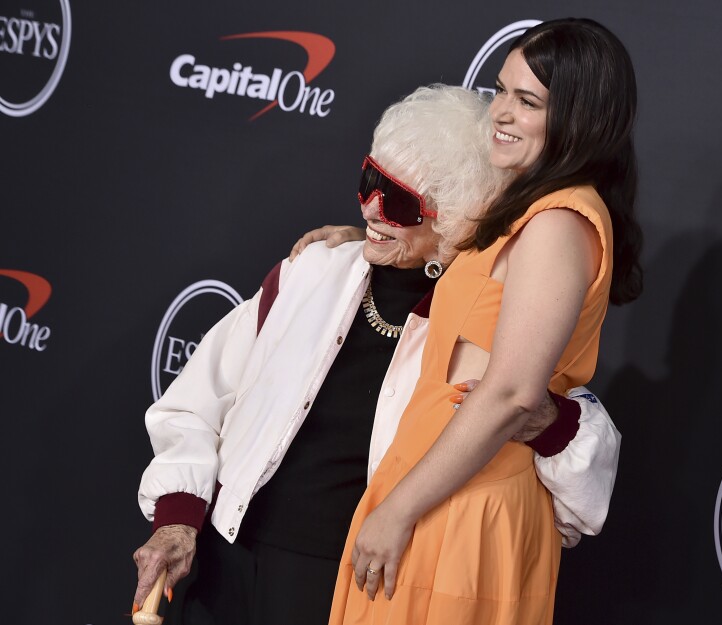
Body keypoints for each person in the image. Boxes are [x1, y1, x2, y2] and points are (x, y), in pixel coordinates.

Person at [132, 84, 621, 625]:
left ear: (458, 216)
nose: (370, 207)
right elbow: (196, 400)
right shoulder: (311, 273)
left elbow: (576, 468)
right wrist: (178, 516)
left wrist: (548, 420)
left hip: (350, 581)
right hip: (224, 561)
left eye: (401, 201)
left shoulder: (484, 321)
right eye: (371, 180)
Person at [326, 18, 642, 625]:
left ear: (580, 118)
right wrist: (355, 239)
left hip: (467, 499)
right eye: (502, 90)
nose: (500, 112)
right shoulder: (522, 209)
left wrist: (397, 511)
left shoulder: (557, 223)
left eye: (528, 101)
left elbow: (513, 394)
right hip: (437, 484)